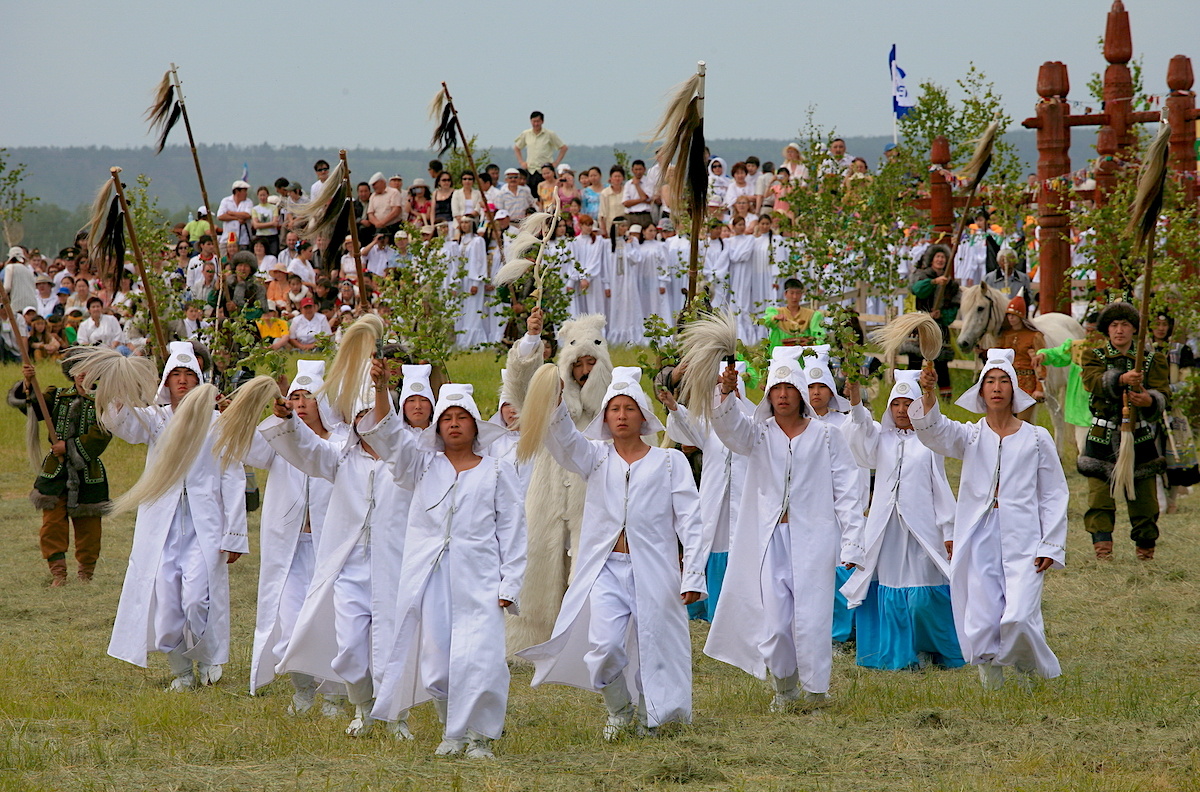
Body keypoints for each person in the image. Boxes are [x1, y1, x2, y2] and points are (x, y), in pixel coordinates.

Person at [518, 367, 705, 740]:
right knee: (603, 646)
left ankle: (658, 715)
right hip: (605, 568)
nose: (621, 415)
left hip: (655, 568)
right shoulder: (596, 457)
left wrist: (694, 574)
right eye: (614, 409)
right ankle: (619, 710)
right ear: (605, 416)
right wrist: (554, 401)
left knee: (658, 642)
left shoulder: (670, 463)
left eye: (629, 408)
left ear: (643, 415)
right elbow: (566, 441)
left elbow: (691, 522)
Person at [360, 370, 526, 759]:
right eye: (447, 419)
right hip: (431, 576)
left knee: (482, 658)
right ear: (437, 427)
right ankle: (452, 732)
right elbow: (388, 439)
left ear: (475, 425)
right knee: (437, 662)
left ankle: (480, 736)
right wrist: (382, 390)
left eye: (461, 418)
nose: (454, 425)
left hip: (480, 576)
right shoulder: (422, 466)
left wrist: (509, 583)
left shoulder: (498, 470)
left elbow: (514, 529)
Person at [704, 346, 864, 710]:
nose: (782, 396)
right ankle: (785, 688)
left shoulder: (827, 436)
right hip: (770, 539)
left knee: (812, 617)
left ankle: (816, 691)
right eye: (776, 389)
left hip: (815, 539)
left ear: (801, 393)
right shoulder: (757, 434)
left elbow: (847, 492)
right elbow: (728, 428)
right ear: (768, 394)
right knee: (776, 623)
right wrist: (725, 392)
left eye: (789, 389)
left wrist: (852, 543)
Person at [260, 357, 414, 738]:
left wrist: (380, 388)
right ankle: (362, 708)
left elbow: (399, 443)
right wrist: (290, 420)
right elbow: (310, 449)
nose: (368, 424)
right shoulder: (342, 458)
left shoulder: (407, 462)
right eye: (361, 416)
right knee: (349, 648)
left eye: (374, 416)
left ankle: (396, 717)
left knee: (392, 647)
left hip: (392, 568)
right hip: (349, 569)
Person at [910, 349, 1067, 689]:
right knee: (981, 614)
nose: (997, 387)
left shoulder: (1037, 439)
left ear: (1014, 389)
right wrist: (928, 393)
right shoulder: (970, 435)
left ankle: (1028, 676)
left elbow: (1054, 493)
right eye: (990, 381)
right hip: (978, 534)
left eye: (1004, 381)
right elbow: (934, 431)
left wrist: (1051, 544)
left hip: (1024, 537)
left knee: (1020, 614)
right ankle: (992, 687)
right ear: (981, 391)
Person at [106, 341, 249, 690]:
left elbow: (232, 476)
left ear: (198, 379)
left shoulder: (217, 423)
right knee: (168, 603)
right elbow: (121, 423)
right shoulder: (155, 420)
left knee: (198, 598)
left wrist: (234, 532)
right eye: (175, 375)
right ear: (166, 382)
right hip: (164, 525)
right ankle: (182, 671)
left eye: (188, 374)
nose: (182, 381)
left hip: (204, 525)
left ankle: (208, 659)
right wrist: (120, 385)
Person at [504, 307, 614, 655]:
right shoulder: (552, 400)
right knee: (541, 561)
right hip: (547, 491)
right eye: (577, 364)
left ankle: (586, 641)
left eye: (590, 364)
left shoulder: (615, 407)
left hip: (593, 499)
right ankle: (534, 638)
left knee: (587, 566)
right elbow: (522, 387)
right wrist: (531, 340)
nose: (583, 372)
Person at [839, 372, 963, 671]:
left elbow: (940, 486)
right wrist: (855, 399)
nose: (901, 410)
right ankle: (897, 655)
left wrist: (948, 528)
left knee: (923, 596)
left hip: (922, 529)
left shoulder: (929, 442)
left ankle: (931, 649)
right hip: (887, 530)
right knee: (890, 587)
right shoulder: (881, 437)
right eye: (896, 403)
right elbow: (860, 434)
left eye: (908, 403)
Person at [241, 361, 347, 711]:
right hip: (289, 548)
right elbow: (246, 450)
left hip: (328, 549)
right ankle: (303, 689)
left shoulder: (342, 443)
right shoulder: (278, 438)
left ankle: (333, 694)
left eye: (309, 397)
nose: (301, 403)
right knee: (288, 622)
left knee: (328, 622)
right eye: (295, 396)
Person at [659, 362, 752, 623]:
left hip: (742, 501)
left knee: (738, 547)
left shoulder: (754, 425)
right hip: (714, 500)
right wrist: (674, 407)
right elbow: (689, 428)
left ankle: (734, 611)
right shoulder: (709, 427)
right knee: (711, 546)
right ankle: (705, 606)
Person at [1078, 302, 1170, 561]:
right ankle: (1103, 553)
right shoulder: (1093, 355)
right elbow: (1092, 381)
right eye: (1114, 325)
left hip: (1139, 435)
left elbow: (1164, 393)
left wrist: (1149, 400)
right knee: (1099, 498)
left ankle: (1145, 553)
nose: (1119, 330)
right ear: (1107, 330)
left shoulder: (1153, 360)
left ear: (1134, 330)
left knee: (1145, 501)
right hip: (1102, 434)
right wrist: (1119, 379)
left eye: (1125, 325)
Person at [13, 358, 112, 585]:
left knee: (89, 526)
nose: (82, 374)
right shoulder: (56, 396)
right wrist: (28, 383)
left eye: (87, 369)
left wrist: (68, 447)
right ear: (71, 372)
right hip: (55, 471)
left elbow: (102, 436)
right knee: (52, 524)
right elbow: (32, 407)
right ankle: (58, 572)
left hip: (89, 471)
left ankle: (85, 574)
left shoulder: (104, 402)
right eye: (77, 369)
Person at [1150, 312, 1197, 512]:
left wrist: (1168, 391)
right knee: (1152, 452)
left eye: (1165, 324)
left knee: (1175, 453)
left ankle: (1172, 499)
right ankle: (1158, 498)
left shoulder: (1180, 350)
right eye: (1157, 324)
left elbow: (1188, 383)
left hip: (1173, 407)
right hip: (1150, 407)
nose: (1161, 328)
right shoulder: (1143, 350)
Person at [908, 244, 959, 398]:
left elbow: (954, 307)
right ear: (931, 259)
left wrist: (941, 315)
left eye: (943, 257)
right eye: (937, 256)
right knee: (914, 363)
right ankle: (910, 392)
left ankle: (946, 398)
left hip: (939, 327)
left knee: (941, 364)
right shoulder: (922, 276)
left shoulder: (951, 284)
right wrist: (933, 282)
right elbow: (916, 290)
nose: (940, 260)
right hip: (921, 326)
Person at [995, 295, 1047, 423]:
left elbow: (1041, 364)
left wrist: (1039, 389)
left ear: (1021, 316)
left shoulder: (1034, 336)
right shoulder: (1005, 335)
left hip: (1027, 384)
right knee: (1005, 422)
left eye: (1014, 315)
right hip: (1007, 384)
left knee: (1024, 424)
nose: (1011, 318)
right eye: (1008, 315)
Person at [760, 278, 825, 351]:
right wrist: (775, 317)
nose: (794, 297)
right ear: (785, 294)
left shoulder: (811, 314)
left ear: (802, 294)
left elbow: (820, 336)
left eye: (798, 293)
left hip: (803, 354)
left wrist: (812, 343)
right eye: (792, 293)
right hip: (780, 354)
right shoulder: (777, 312)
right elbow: (764, 321)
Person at [513, 111, 568, 183]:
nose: (536, 124)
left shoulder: (549, 134)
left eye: (538, 121)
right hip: (531, 170)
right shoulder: (526, 134)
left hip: (546, 171)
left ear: (542, 121)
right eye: (534, 121)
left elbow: (563, 148)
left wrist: (556, 162)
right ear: (530, 121)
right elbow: (517, 148)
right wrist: (521, 162)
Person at [217, 180, 253, 251]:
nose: (246, 193)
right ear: (237, 191)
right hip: (227, 239)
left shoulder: (248, 202)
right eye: (244, 191)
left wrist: (231, 213)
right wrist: (237, 218)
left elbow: (247, 215)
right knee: (224, 260)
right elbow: (220, 216)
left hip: (243, 240)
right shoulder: (226, 201)